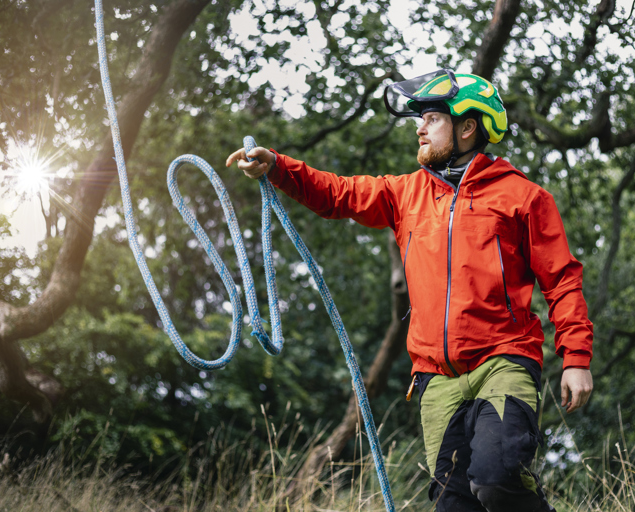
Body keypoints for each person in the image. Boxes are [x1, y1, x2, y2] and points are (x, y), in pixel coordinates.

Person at [226, 69, 593, 512]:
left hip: (504, 361)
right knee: (455, 505)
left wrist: (576, 358)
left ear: (467, 127)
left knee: (496, 480)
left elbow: (562, 280)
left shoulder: (525, 197)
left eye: (432, 119)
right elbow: (339, 193)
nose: (420, 129)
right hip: (435, 377)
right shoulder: (406, 193)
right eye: (420, 120)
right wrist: (279, 167)